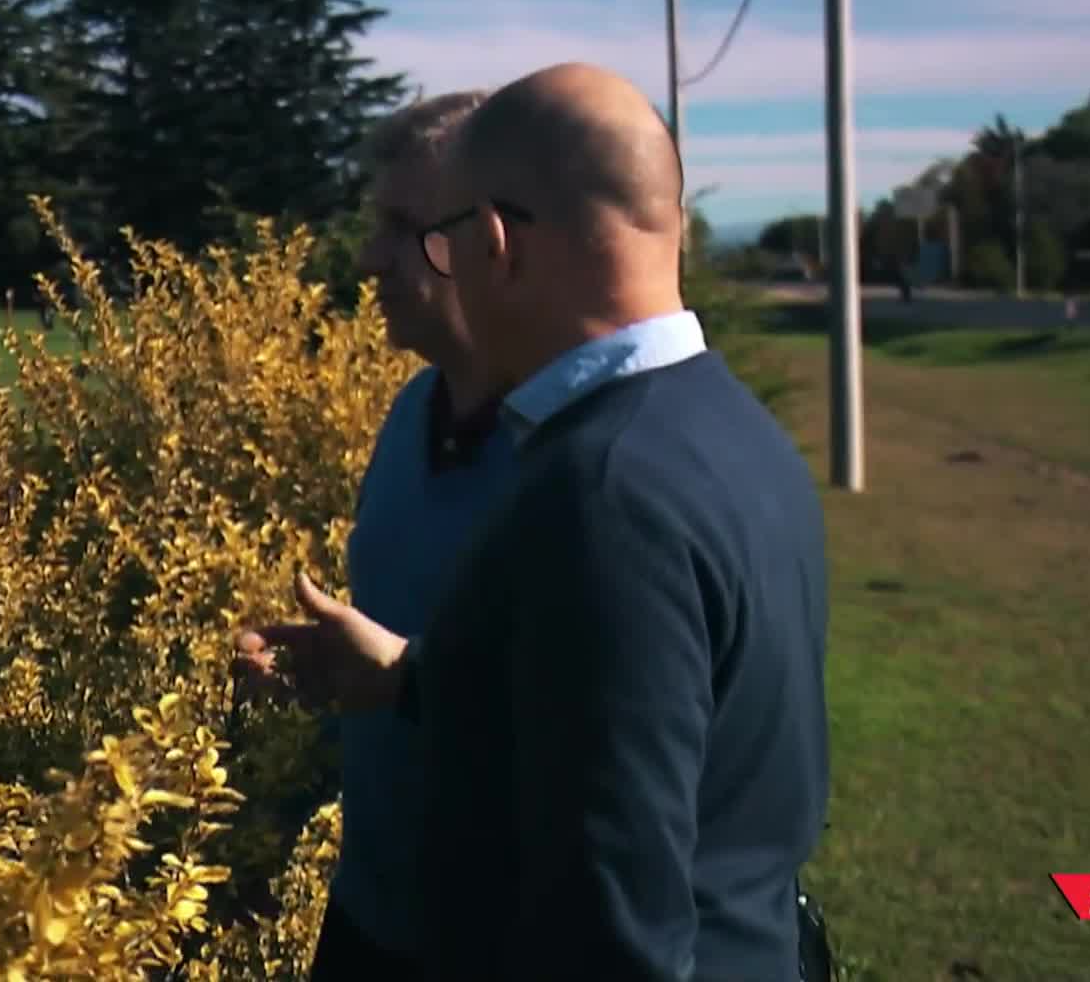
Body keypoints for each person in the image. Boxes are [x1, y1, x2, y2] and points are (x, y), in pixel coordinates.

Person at [238, 63, 832, 981]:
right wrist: (415, 679)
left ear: (496, 243)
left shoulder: (603, 491)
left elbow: (614, 935)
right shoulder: (737, 437)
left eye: (437, 240)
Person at [310, 90, 515, 982]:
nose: (369, 259)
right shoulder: (408, 416)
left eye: (401, 226)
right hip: (372, 915)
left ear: (489, 238)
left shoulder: (583, 461)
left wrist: (405, 677)